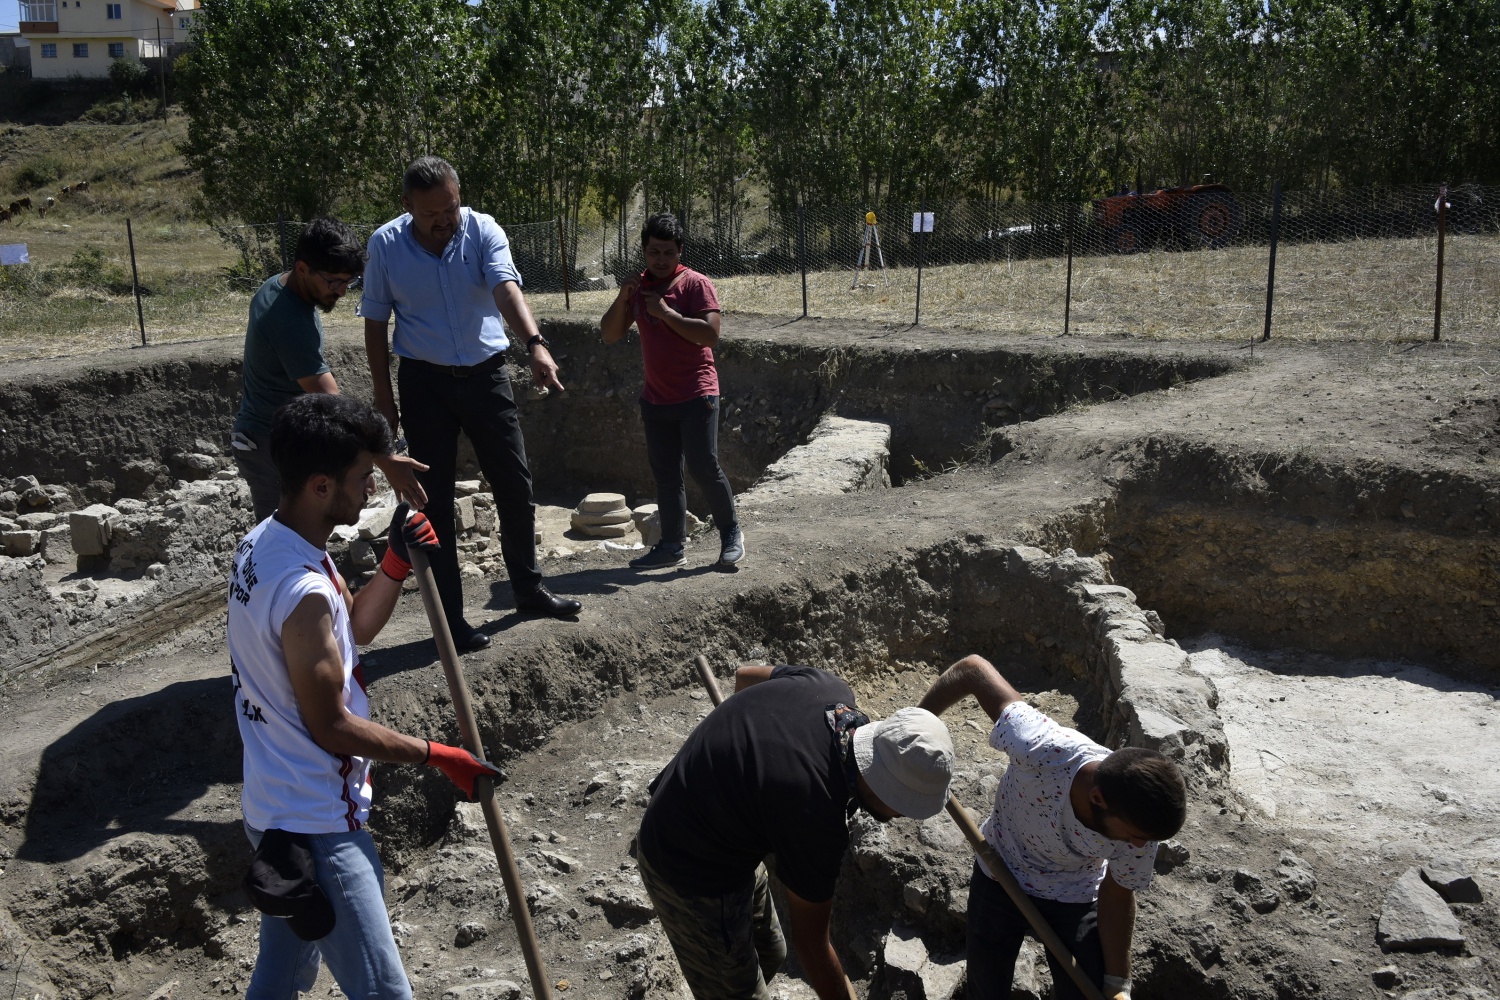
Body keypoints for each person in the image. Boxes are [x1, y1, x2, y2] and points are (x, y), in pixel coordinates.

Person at [228, 393, 504, 999]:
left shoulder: (264, 547)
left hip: (272, 806)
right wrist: (439, 755)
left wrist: (396, 563)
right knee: (385, 993)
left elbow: (347, 633)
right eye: (361, 479)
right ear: (322, 486)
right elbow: (331, 726)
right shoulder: (303, 591)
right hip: (318, 822)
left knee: (279, 973)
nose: (370, 491)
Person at [361, 156, 581, 651]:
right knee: (432, 499)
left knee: (514, 481)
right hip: (424, 382)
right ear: (407, 207)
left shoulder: (482, 230)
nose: (444, 220)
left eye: (451, 207)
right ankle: (453, 620)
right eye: (430, 213)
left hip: (486, 375)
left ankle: (528, 588)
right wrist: (383, 396)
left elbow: (506, 288)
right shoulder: (386, 246)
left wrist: (535, 343)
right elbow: (375, 323)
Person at [637, 663, 955, 999]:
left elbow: (745, 676)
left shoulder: (830, 690)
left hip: (728, 838)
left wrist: (743, 767)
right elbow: (813, 947)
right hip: (685, 865)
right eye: (904, 805)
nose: (904, 815)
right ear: (880, 787)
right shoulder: (815, 816)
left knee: (771, 951)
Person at [916, 655, 1188, 1000]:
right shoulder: (1041, 748)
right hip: (1001, 871)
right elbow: (972, 670)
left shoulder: (1142, 829)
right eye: (1134, 837)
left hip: (1076, 892)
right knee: (986, 988)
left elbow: (1117, 894)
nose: (1138, 847)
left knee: (1086, 991)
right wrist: (916, 725)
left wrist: (1119, 984)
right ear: (1098, 798)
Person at [231, 216, 427, 522]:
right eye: (334, 281)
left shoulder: (284, 287)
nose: (342, 291)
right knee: (282, 537)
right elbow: (332, 403)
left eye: (349, 281)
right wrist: (383, 459)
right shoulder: (288, 321)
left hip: (288, 434)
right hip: (267, 443)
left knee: (303, 531)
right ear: (302, 269)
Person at [599, 212, 744, 570]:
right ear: (644, 252)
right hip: (656, 399)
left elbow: (710, 335)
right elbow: (609, 334)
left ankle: (731, 534)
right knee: (666, 474)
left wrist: (665, 313)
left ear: (680, 251)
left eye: (667, 252)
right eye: (653, 252)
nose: (660, 260)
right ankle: (671, 546)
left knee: (703, 466)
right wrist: (623, 297)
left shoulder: (695, 284)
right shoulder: (640, 289)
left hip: (697, 394)